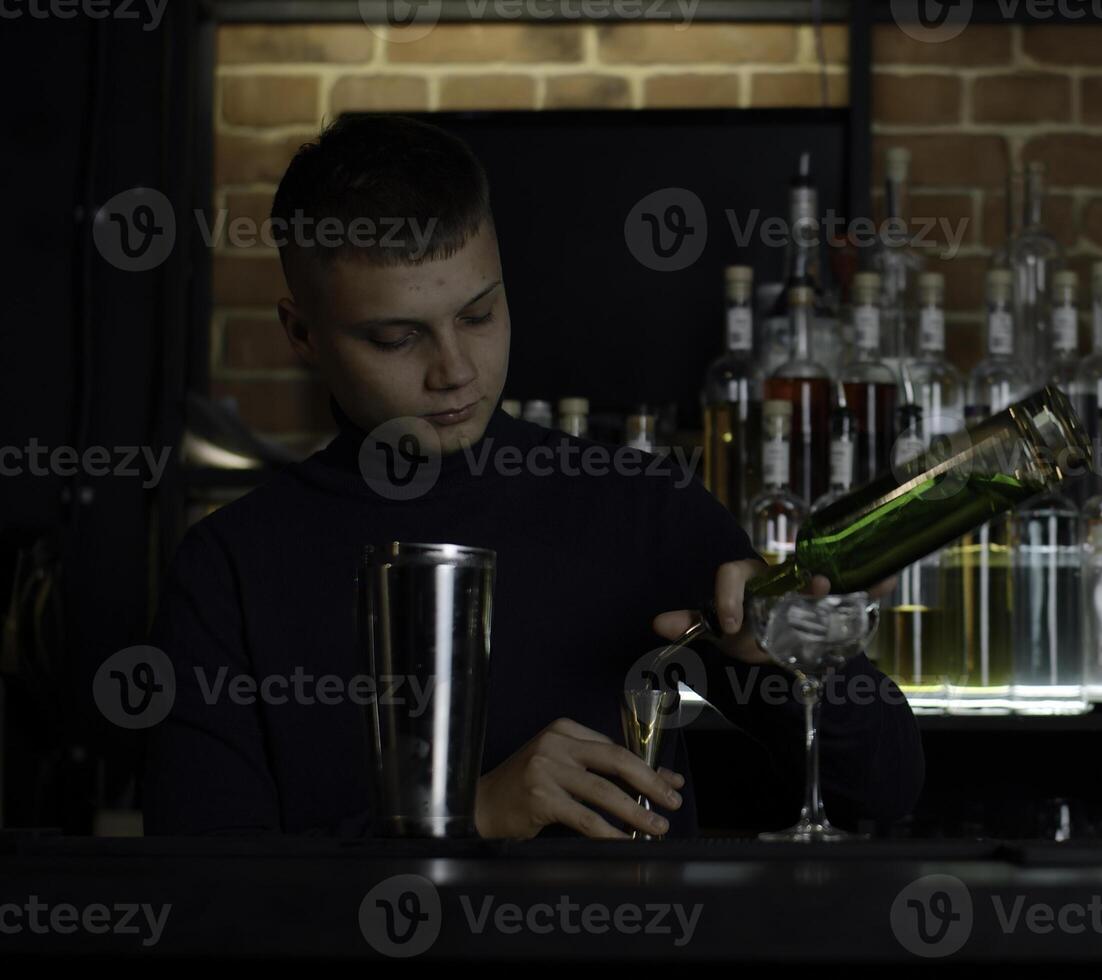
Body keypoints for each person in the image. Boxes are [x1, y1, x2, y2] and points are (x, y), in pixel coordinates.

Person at [142, 114, 924, 838]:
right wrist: (464, 813)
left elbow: (884, 795)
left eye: (478, 317)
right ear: (302, 333)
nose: (453, 372)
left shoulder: (641, 505)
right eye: (394, 338)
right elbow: (207, 895)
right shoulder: (230, 571)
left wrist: (792, 662)